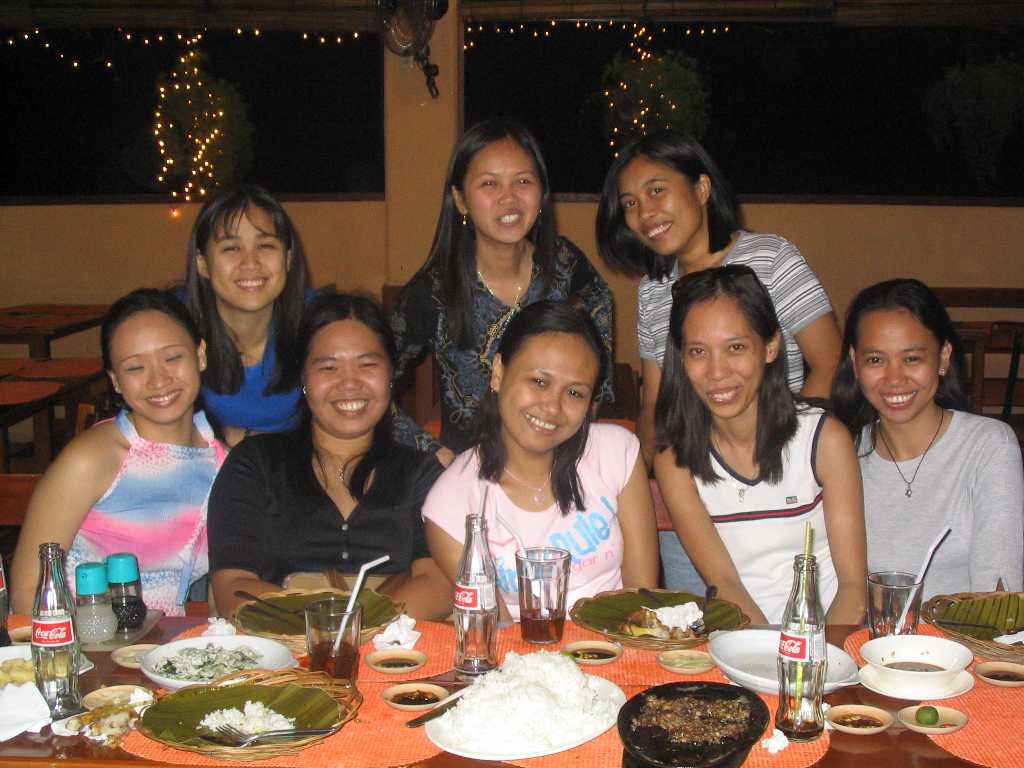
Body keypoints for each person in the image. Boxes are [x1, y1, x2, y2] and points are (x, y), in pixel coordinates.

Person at [596, 129, 842, 592]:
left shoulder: (770, 258)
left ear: (702, 188)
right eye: (629, 203)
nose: (645, 213)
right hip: (695, 487)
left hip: (781, 484)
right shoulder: (654, 290)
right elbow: (655, 402)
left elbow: (829, 364)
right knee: (699, 621)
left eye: (656, 191)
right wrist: (649, 478)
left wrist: (783, 455)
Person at [208, 293, 451, 620]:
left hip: (394, 643)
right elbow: (233, 586)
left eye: (367, 365)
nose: (349, 383)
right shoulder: (255, 464)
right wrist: (322, 632)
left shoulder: (422, 474)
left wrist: (357, 631)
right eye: (328, 367)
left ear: (391, 374)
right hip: (279, 644)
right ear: (303, 378)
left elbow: (438, 584)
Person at [653, 265, 866, 625]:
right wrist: (766, 652)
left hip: (829, 636)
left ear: (770, 347)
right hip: (743, 637)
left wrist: (813, 654)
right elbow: (723, 582)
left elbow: (853, 589)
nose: (717, 372)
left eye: (735, 348)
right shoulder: (676, 461)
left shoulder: (824, 440)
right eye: (698, 352)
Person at [390, 119, 615, 456]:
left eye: (523, 181)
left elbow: (601, 311)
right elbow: (371, 382)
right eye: (489, 184)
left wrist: (582, 416)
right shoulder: (435, 290)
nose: (509, 197)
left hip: (553, 461)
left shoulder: (565, 265)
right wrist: (435, 454)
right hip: (471, 470)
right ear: (461, 200)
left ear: (542, 193)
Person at [423, 301, 659, 620]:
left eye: (574, 393)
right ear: (498, 373)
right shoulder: (451, 502)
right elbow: (496, 630)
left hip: (615, 642)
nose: (552, 407)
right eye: (539, 381)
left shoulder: (617, 453)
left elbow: (641, 600)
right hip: (518, 649)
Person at [11, 289, 227, 616]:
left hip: (170, 642)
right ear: (115, 380)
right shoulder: (93, 459)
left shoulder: (221, 464)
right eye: (135, 367)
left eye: (172, 358)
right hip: (83, 639)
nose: (159, 380)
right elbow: (28, 593)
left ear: (200, 355)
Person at [831, 278, 1023, 598]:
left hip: (962, 631)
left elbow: (998, 598)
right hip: (864, 631)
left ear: (944, 357)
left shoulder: (988, 446)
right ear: (854, 363)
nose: (894, 379)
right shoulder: (841, 453)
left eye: (912, 358)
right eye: (875, 360)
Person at [183, 184, 311, 447]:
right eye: (231, 248)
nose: (250, 263)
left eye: (265, 245)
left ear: (288, 258)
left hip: (298, 462)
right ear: (202, 263)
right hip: (206, 463)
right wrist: (236, 438)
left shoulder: (319, 321)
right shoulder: (174, 327)